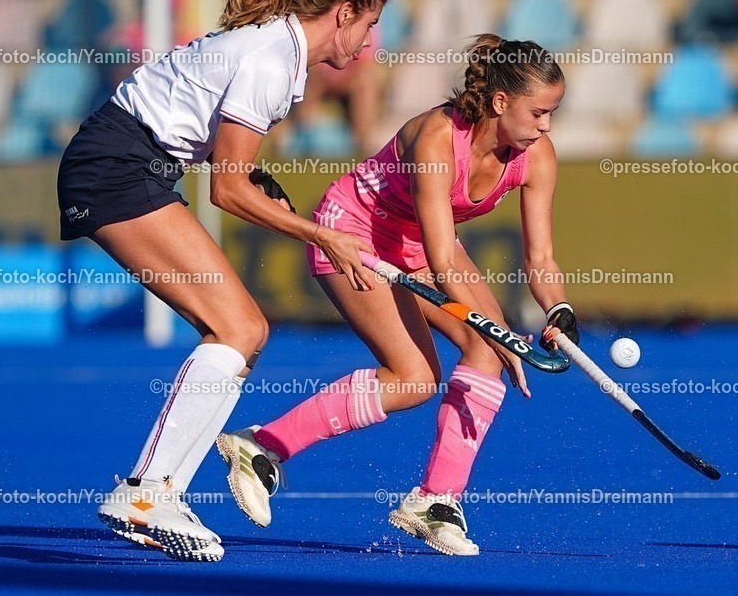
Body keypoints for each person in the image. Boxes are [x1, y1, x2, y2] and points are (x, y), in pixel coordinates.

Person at [55, 0, 388, 562]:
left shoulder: (279, 51)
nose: (368, 43)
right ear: (341, 12)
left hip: (133, 165)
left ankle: (157, 492)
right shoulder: (271, 58)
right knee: (236, 326)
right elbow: (229, 191)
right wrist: (322, 234)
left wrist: (262, 185)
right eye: (368, 25)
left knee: (243, 330)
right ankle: (148, 490)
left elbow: (218, 148)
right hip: (118, 167)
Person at [217, 35, 581, 556]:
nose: (546, 127)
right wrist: (497, 330)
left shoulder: (537, 155)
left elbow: (541, 259)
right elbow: (442, 261)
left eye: (552, 114)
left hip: (418, 244)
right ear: (501, 103)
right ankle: (262, 447)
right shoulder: (436, 138)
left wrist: (558, 309)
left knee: (486, 353)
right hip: (354, 234)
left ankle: (435, 501)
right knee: (415, 379)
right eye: (539, 113)